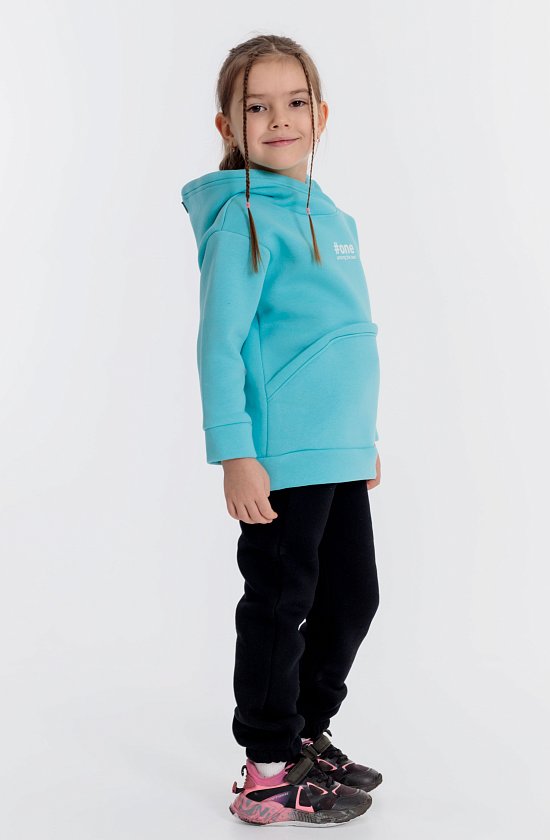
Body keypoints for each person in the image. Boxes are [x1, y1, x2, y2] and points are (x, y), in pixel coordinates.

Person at [180, 34, 383, 827]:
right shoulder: (241, 221)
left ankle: (303, 731)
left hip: (335, 451)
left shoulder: (331, 216)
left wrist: (361, 439)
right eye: (256, 107)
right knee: (278, 605)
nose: (279, 119)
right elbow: (219, 343)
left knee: (353, 596)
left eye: (295, 102)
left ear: (320, 114)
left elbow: (342, 337)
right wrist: (235, 452)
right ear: (228, 126)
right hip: (279, 457)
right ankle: (266, 772)